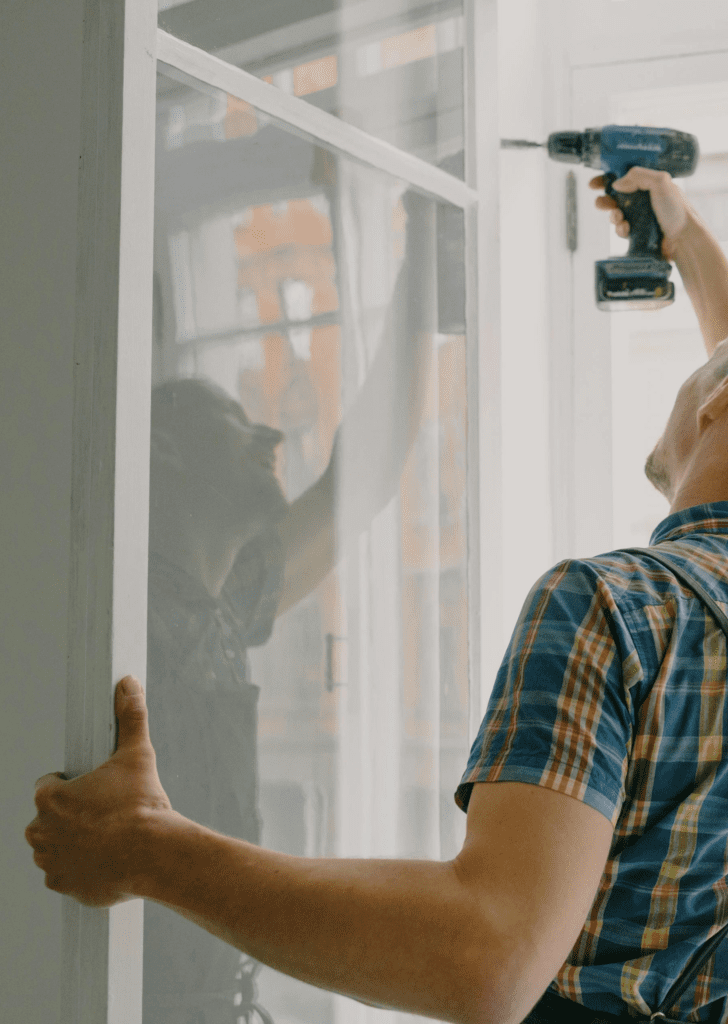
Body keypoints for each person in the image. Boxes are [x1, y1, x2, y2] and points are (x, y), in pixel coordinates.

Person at [27, 166, 728, 1024]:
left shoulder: (615, 608)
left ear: (720, 398)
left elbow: (487, 962)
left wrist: (147, 849)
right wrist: (684, 241)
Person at [140, 186, 435, 1023]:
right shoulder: (126, 618)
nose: (270, 434)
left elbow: (362, 476)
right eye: (235, 421)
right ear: (165, 447)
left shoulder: (224, 599)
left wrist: (422, 265)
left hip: (211, 996)